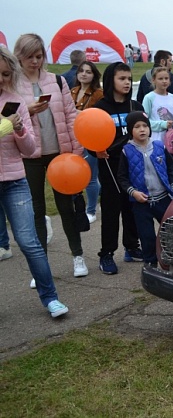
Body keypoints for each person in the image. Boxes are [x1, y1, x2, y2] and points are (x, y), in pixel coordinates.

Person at [0, 46, 69, 317]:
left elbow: (30, 150)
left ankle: (51, 298)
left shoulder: (15, 100)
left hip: (15, 181)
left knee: (29, 242)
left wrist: (17, 128)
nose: (2, 80)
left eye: (6, 74)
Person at [13, 33, 88, 279]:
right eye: (29, 57)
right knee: (36, 210)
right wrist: (28, 110)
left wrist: (76, 150)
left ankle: (77, 256)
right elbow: (7, 118)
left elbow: (70, 115)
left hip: (60, 153)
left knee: (66, 207)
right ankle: (40, 267)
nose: (35, 61)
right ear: (19, 57)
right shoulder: (12, 84)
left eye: (39, 56)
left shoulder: (57, 81)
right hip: (29, 154)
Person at [92, 62, 144, 274]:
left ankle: (131, 247)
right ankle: (106, 254)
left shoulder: (135, 106)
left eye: (129, 79)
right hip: (110, 165)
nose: (127, 82)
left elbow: (144, 132)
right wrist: (94, 149)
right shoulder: (100, 108)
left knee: (132, 207)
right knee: (112, 211)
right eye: (122, 78)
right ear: (111, 80)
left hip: (133, 165)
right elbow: (89, 133)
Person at [117, 111, 173, 266]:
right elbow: (122, 178)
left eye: (145, 126)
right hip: (141, 204)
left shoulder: (159, 147)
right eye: (137, 127)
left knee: (170, 232)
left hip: (163, 199)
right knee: (147, 237)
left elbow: (171, 170)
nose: (142, 129)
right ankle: (150, 265)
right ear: (130, 130)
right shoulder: (126, 151)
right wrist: (134, 193)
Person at [70, 60, 103, 223]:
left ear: (94, 75)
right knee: (82, 176)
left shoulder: (98, 94)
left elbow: (99, 116)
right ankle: (103, 197)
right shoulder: (72, 91)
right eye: (81, 71)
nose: (84, 74)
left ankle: (91, 211)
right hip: (74, 138)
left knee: (90, 176)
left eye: (88, 71)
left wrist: (81, 114)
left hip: (91, 139)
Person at [142, 67, 173, 171]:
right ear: (153, 80)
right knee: (160, 171)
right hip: (157, 142)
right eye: (160, 78)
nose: (164, 81)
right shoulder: (149, 98)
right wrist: (162, 124)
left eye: (166, 78)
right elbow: (145, 121)